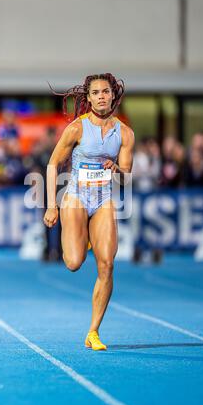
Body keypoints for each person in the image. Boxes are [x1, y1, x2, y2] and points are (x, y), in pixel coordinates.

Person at [43, 73, 134, 351]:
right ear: (89, 97)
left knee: (107, 265)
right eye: (95, 93)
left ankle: (93, 331)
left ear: (113, 95)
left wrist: (116, 169)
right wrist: (51, 204)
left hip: (104, 199)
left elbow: (126, 175)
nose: (101, 97)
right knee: (73, 262)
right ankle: (84, 235)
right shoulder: (77, 128)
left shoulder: (125, 133)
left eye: (105, 92)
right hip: (76, 198)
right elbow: (52, 165)